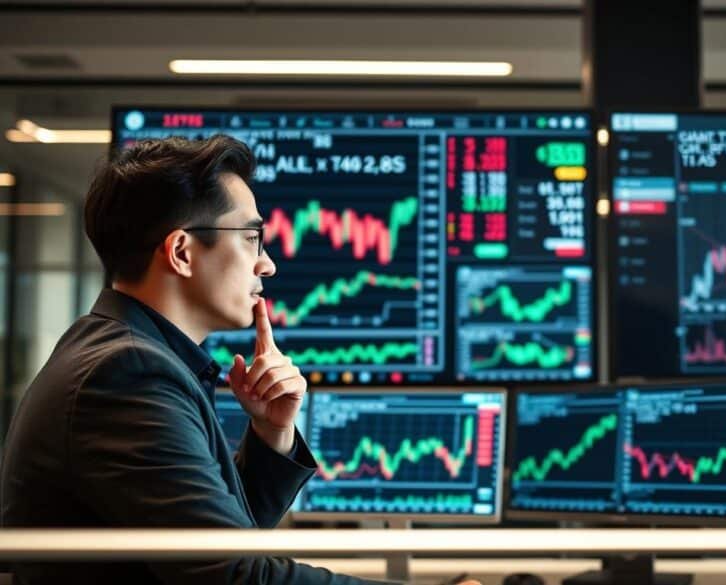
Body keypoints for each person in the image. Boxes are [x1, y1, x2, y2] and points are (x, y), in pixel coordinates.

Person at [0, 135, 479, 585]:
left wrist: (272, 433)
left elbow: (216, 542)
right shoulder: (126, 374)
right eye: (252, 238)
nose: (267, 263)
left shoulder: (130, 354)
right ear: (183, 252)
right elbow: (236, 575)